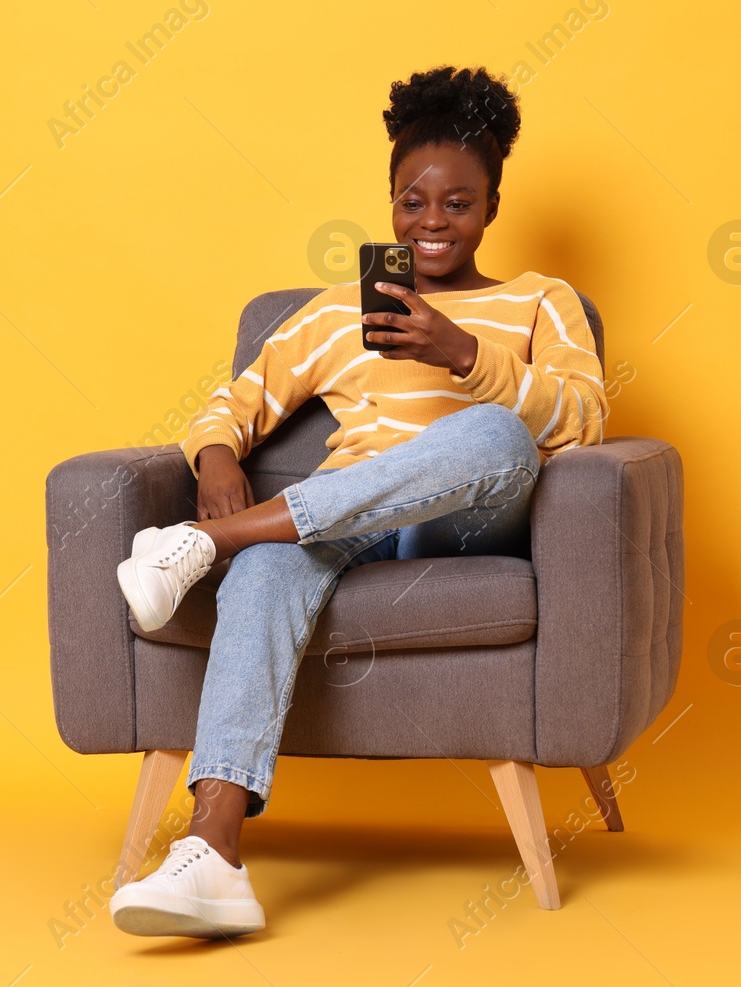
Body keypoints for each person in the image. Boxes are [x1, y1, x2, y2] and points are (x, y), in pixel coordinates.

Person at [107, 65, 607, 939]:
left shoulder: (538, 300)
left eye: (458, 203)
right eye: (413, 202)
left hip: (468, 521)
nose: (433, 222)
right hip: (350, 526)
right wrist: (219, 453)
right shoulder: (338, 314)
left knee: (496, 435)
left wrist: (462, 354)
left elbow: (586, 415)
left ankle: (204, 541)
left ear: (491, 205)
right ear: (389, 205)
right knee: (268, 562)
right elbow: (230, 403)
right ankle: (213, 851)